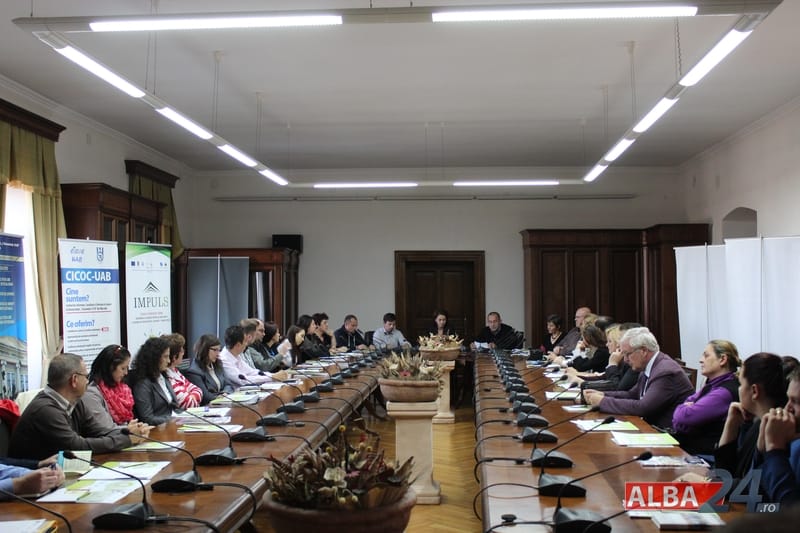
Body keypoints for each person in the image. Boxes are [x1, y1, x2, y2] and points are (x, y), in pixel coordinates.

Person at [8, 353, 134, 460]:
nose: (87, 381)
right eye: (86, 377)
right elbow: (77, 447)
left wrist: (130, 432)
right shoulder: (46, 410)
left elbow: (98, 430)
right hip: (32, 476)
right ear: (74, 380)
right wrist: (127, 439)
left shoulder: (75, 402)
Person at [583, 327, 694, 429]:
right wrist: (603, 394)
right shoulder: (649, 366)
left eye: (627, 354)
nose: (625, 360)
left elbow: (643, 407)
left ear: (643, 351)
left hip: (671, 435)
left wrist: (603, 402)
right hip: (652, 428)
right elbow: (632, 395)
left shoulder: (665, 372)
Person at [713, 352, 787, 481]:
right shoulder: (758, 423)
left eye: (741, 383)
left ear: (754, 391)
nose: (739, 389)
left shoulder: (776, 432)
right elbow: (726, 472)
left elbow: (749, 486)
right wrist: (731, 424)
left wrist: (707, 484)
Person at [671, 340, 741, 456]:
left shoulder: (723, 393)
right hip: (692, 450)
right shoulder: (713, 384)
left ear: (722, 359)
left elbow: (683, 417)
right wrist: (685, 410)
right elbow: (683, 415)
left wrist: (686, 409)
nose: (701, 360)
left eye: (706, 355)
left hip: (704, 456)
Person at [75, 344, 151, 441]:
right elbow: (105, 428)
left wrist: (137, 427)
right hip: (105, 444)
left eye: (127, 368)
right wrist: (131, 429)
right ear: (110, 367)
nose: (126, 373)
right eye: (123, 368)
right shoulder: (91, 393)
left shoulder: (122, 389)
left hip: (121, 440)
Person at [758, 366, 800, 504]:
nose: (787, 408)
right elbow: (757, 490)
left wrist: (775, 450)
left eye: (796, 401)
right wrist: (764, 452)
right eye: (789, 399)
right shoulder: (792, 440)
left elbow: (790, 510)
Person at [129, 336, 179, 426]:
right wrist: (173, 419)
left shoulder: (163, 376)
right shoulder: (143, 384)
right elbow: (147, 418)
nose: (169, 361)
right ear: (154, 358)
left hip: (173, 424)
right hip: (159, 429)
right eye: (165, 357)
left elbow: (174, 407)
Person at [219, 325, 288, 387]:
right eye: (245, 342)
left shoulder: (236, 355)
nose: (246, 344)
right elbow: (242, 380)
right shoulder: (224, 359)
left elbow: (251, 372)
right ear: (238, 345)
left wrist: (272, 375)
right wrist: (271, 378)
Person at [184, 334, 236, 404]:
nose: (218, 354)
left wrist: (225, 393)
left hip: (223, 402)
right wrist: (220, 398)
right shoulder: (194, 371)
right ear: (204, 349)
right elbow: (205, 396)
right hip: (209, 406)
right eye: (215, 350)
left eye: (219, 350)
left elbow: (228, 384)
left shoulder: (218, 364)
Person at [162, 333, 202, 409]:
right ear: (174, 357)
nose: (183, 353)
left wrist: (191, 396)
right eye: (182, 351)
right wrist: (191, 395)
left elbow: (198, 390)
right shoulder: (166, 377)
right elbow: (190, 404)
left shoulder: (175, 371)